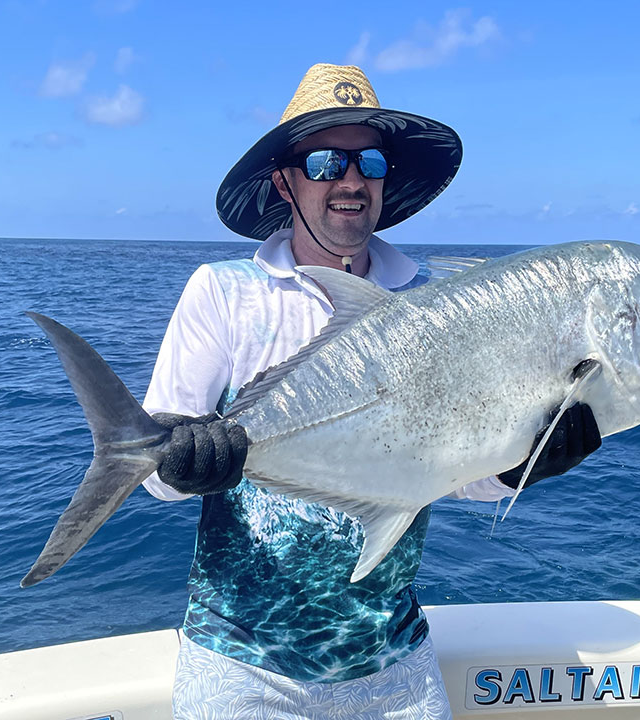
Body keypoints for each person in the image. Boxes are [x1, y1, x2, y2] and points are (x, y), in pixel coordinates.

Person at [142, 64, 600, 720]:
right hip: (241, 662)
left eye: (370, 162)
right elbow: (157, 478)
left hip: (394, 665)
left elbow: (447, 465)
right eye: (327, 162)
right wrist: (181, 464)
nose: (351, 181)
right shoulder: (223, 293)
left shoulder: (430, 302)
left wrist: (516, 466)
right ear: (286, 181)